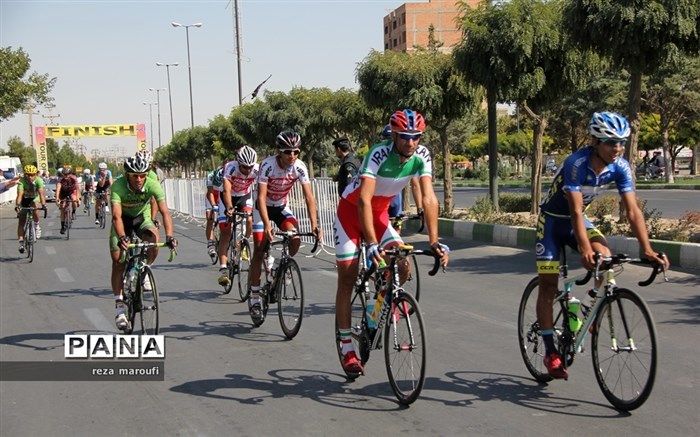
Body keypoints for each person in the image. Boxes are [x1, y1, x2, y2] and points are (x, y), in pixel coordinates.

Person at [536, 111, 669, 380]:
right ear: (595, 142)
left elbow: (633, 211)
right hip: (552, 222)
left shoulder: (620, 167)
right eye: (611, 143)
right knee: (548, 284)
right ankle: (550, 351)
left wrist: (648, 249)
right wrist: (584, 248)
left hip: (579, 221)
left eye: (621, 142)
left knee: (606, 258)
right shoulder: (576, 163)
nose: (617, 149)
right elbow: (574, 211)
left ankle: (585, 310)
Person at [334, 109, 449, 376]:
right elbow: (363, 200)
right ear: (394, 135)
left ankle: (379, 306)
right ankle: (346, 345)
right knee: (348, 277)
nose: (411, 143)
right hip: (351, 214)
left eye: (416, 137)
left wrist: (434, 241)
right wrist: (373, 243)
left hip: (379, 214)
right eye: (405, 137)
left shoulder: (422, 156)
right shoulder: (378, 153)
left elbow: (430, 198)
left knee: (403, 264)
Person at [248, 131, 321, 323]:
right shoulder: (267, 165)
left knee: (295, 238)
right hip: (261, 208)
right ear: (279, 151)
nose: (292, 156)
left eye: (296, 151)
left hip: (281, 206)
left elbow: (309, 197)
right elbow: (261, 198)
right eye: (288, 152)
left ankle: (280, 268)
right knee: (259, 249)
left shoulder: (299, 167)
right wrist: (266, 224)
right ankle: (255, 297)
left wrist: (314, 224)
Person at [110, 153, 177, 331]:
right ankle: (119, 306)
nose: (139, 179)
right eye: (135, 176)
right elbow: (116, 216)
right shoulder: (118, 186)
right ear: (127, 175)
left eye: (142, 175)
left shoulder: (153, 184)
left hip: (141, 218)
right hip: (122, 221)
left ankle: (143, 269)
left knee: (154, 240)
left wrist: (170, 236)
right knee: (118, 261)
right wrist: (123, 237)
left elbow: (165, 212)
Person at [217, 145, 259, 287]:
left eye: (250, 167)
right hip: (227, 198)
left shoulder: (257, 169)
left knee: (249, 218)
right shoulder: (231, 167)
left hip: (244, 196)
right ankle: (223, 269)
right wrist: (229, 207)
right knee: (226, 232)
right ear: (238, 162)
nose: (248, 170)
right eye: (244, 167)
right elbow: (226, 190)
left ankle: (244, 244)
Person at [15, 165, 46, 252]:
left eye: (32, 175)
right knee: (21, 221)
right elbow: (19, 195)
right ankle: (21, 243)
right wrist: (17, 206)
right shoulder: (22, 181)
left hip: (34, 198)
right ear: (25, 174)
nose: (30, 177)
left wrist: (43, 205)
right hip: (24, 199)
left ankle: (37, 225)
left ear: (36, 174)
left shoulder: (39, 180)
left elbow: (41, 194)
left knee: (35, 206)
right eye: (28, 175)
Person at [204, 165, 224, 260]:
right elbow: (210, 193)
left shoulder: (231, 174)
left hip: (223, 195)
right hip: (212, 195)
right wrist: (212, 206)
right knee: (210, 218)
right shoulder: (211, 175)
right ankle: (210, 243)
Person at [56, 166, 79, 234]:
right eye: (64, 174)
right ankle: (62, 227)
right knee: (62, 208)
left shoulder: (74, 178)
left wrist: (78, 198)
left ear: (70, 174)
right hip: (63, 193)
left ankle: (73, 212)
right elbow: (58, 189)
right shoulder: (60, 180)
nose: (66, 176)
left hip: (71, 191)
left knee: (74, 200)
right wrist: (57, 198)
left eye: (68, 174)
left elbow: (77, 189)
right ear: (62, 174)